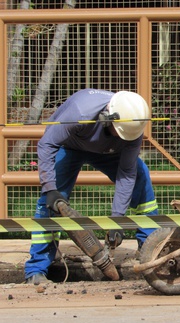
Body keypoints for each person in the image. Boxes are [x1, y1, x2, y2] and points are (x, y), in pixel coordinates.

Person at [24, 89, 159, 284]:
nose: (122, 137)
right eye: (118, 132)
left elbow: (127, 174)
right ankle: (37, 269)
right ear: (107, 117)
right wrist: (49, 187)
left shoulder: (132, 127)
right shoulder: (80, 113)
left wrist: (117, 219)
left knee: (141, 177)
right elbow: (47, 144)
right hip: (69, 145)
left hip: (108, 151)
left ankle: (151, 249)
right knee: (51, 202)